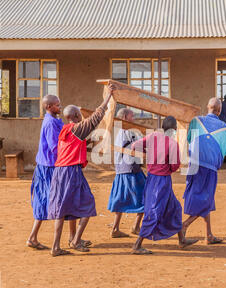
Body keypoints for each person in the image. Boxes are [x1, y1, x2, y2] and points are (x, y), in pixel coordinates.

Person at [47, 84, 116, 256]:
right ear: (77, 116)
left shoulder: (65, 130)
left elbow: (79, 144)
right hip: (71, 173)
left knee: (62, 210)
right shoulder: (78, 129)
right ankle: (76, 240)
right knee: (87, 205)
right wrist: (108, 97)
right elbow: (95, 118)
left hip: (59, 172)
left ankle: (57, 246)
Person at [130, 116, 198, 254]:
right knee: (153, 212)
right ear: (174, 130)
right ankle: (137, 245)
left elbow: (134, 146)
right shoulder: (172, 144)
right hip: (162, 181)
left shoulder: (153, 136)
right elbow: (174, 166)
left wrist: (148, 154)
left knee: (175, 208)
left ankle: (182, 240)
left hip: (152, 179)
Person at [182, 97, 226, 244]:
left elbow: (190, 138)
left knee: (206, 198)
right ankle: (184, 225)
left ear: (207, 107)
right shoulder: (222, 126)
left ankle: (208, 234)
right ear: (219, 111)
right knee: (206, 199)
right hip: (208, 168)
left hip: (194, 165)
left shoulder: (196, 121)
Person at [27, 95, 63, 250]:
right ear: (49, 107)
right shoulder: (50, 123)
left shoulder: (55, 121)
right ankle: (55, 244)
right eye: (57, 105)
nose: (59, 107)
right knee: (52, 201)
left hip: (48, 165)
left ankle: (33, 237)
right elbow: (55, 147)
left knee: (46, 200)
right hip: (48, 167)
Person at [107, 108, 146, 238]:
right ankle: (135, 226)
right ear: (124, 117)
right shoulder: (129, 131)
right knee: (146, 195)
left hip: (122, 170)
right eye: (132, 116)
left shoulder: (121, 132)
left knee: (120, 198)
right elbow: (139, 145)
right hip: (131, 170)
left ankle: (115, 228)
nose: (134, 119)